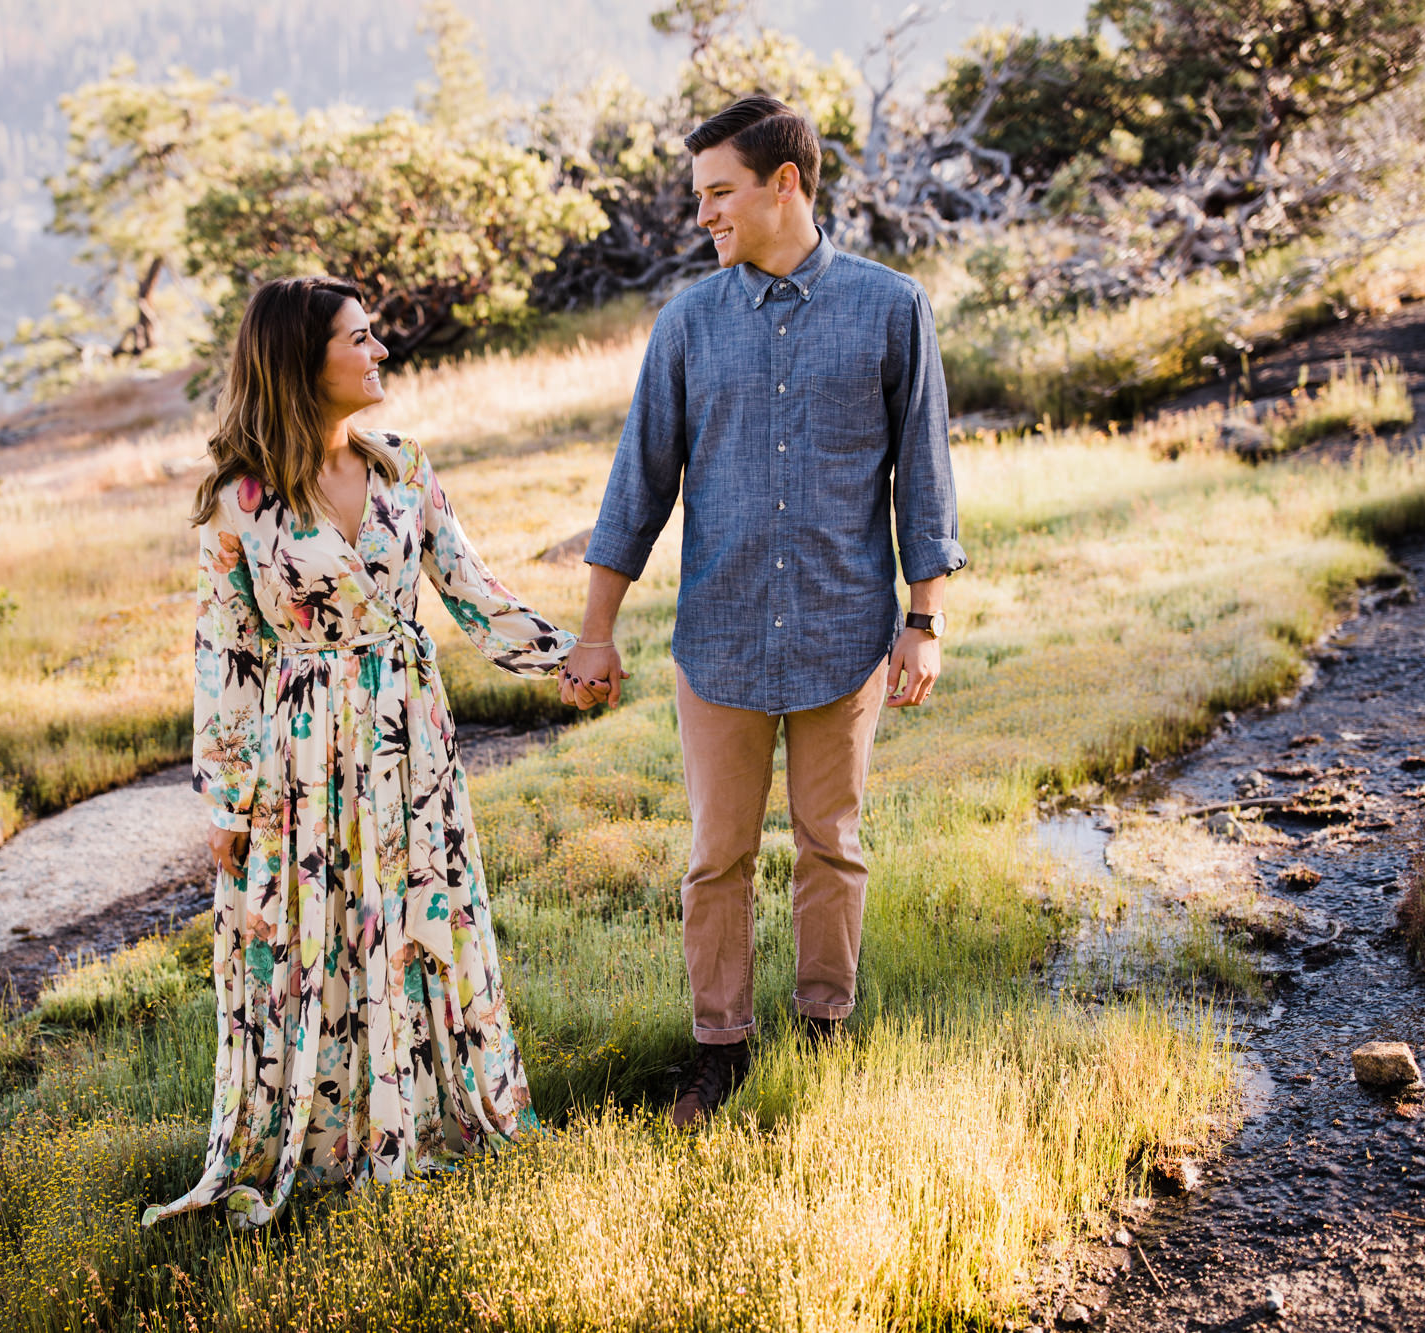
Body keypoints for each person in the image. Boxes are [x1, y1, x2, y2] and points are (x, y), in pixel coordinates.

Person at [558, 96, 968, 1128]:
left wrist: (925, 618)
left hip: (843, 633)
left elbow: (921, 477)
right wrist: (596, 628)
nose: (703, 215)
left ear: (784, 183)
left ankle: (823, 1028)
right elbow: (635, 487)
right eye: (699, 197)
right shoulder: (687, 324)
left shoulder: (890, 308)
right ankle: (718, 1049)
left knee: (831, 842)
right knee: (714, 856)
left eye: (718, 192)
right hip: (719, 635)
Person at [144, 276, 578, 1226]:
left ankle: (429, 1117)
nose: (380, 351)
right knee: (318, 933)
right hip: (301, 757)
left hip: (408, 735)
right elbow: (226, 654)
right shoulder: (240, 501)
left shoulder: (404, 468)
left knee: (420, 912)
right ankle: (332, 1137)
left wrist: (567, 659)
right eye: (361, 338)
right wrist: (226, 803)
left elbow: (473, 590)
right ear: (305, 361)